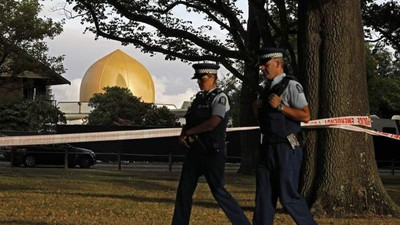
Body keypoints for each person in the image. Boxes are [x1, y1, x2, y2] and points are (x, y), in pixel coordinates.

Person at [171, 63, 251, 225]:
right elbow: (190, 120)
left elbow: (213, 122)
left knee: (219, 192)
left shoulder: (220, 98)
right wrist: (183, 133)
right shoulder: (199, 98)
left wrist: (190, 132)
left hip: (212, 152)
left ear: (213, 77)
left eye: (203, 78)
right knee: (184, 191)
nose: (199, 82)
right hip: (195, 151)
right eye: (198, 79)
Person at [252, 48, 318, 225]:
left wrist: (281, 107)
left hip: (286, 148)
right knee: (264, 198)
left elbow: (305, 116)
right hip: (267, 148)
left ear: (278, 63)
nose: (262, 69)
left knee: (288, 197)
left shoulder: (291, 86)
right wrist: (257, 110)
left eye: (266, 65)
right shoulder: (266, 89)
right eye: (261, 65)